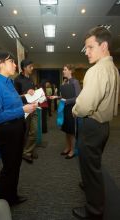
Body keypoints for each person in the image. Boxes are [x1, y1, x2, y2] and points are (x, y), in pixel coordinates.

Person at [72, 26, 119, 219]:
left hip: (92, 126)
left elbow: (84, 106)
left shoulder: (96, 71)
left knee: (90, 168)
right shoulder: (114, 69)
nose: (87, 52)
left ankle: (94, 210)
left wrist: (75, 110)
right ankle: (92, 186)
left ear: (104, 45)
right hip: (104, 126)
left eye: (90, 47)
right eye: (86, 49)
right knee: (94, 164)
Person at [0, 50, 37, 206]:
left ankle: (11, 196)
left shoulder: (8, 82)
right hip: (7, 131)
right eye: (11, 61)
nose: (15, 64)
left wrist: (25, 97)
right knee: (9, 167)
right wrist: (23, 110)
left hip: (17, 127)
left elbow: (11, 101)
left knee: (15, 165)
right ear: (1, 63)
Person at [14, 59, 38, 163]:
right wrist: (26, 94)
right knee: (25, 131)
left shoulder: (31, 79)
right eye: (30, 67)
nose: (32, 68)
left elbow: (33, 93)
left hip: (33, 107)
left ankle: (28, 151)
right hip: (23, 108)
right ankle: (26, 152)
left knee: (34, 131)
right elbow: (15, 97)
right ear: (24, 68)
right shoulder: (17, 80)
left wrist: (37, 95)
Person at [60, 64, 81, 159]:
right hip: (65, 108)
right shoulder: (65, 82)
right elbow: (64, 96)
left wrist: (66, 101)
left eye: (65, 69)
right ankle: (68, 147)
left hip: (72, 109)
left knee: (71, 131)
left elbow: (78, 98)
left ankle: (72, 150)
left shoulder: (75, 82)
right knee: (66, 130)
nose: (63, 71)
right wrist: (57, 97)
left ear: (70, 71)